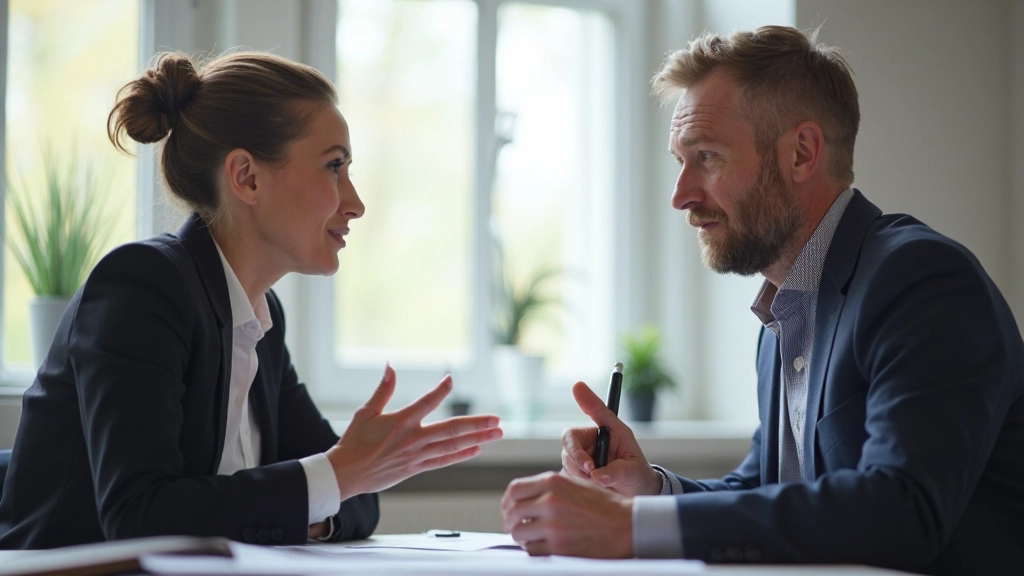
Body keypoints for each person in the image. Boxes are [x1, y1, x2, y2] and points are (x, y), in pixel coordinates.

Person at [500, 25, 1024, 574]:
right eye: (681, 160)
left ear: (802, 153)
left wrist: (628, 530)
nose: (681, 195)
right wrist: (648, 491)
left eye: (707, 157)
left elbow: (900, 510)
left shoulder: (921, 281)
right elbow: (766, 490)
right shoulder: (785, 307)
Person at [0, 51, 503, 549]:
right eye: (334, 166)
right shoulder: (142, 287)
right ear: (247, 177)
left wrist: (334, 483)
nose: (355, 203)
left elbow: (357, 499)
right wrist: (332, 479)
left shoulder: (261, 318)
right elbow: (138, 515)